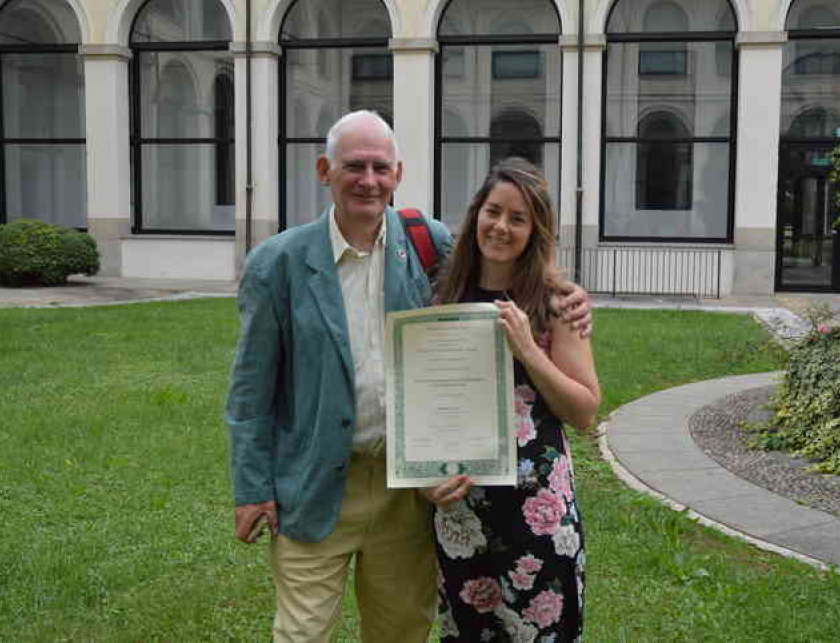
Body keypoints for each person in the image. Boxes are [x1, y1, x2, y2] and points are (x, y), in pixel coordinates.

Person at [224, 111, 591, 643]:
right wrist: (252, 487)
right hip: (314, 483)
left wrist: (571, 298)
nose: (367, 180)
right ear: (325, 170)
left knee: (400, 632)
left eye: (380, 167)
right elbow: (250, 391)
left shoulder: (428, 246)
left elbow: (507, 268)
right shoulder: (276, 264)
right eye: (354, 166)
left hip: (408, 492)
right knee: (300, 633)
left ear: (398, 174)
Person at [423, 158, 600, 642]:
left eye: (517, 218)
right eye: (493, 211)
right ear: (476, 213)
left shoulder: (556, 303)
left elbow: (584, 411)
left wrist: (528, 350)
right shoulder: (442, 299)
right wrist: (424, 483)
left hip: (536, 514)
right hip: (461, 513)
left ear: (535, 231)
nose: (501, 227)